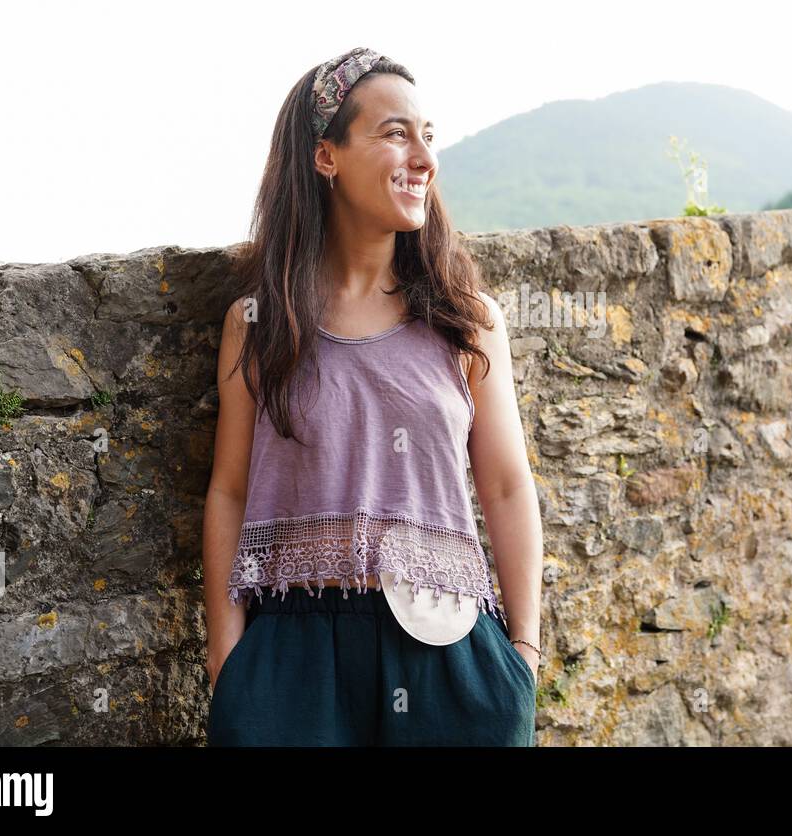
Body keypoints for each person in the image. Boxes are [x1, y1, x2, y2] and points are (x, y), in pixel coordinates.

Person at [201, 47, 543, 745]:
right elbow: (229, 492)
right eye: (395, 134)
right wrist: (227, 664)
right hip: (291, 658)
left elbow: (507, 486)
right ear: (326, 156)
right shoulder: (259, 325)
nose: (423, 157)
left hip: (450, 651)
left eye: (428, 136)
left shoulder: (465, 322)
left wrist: (524, 656)